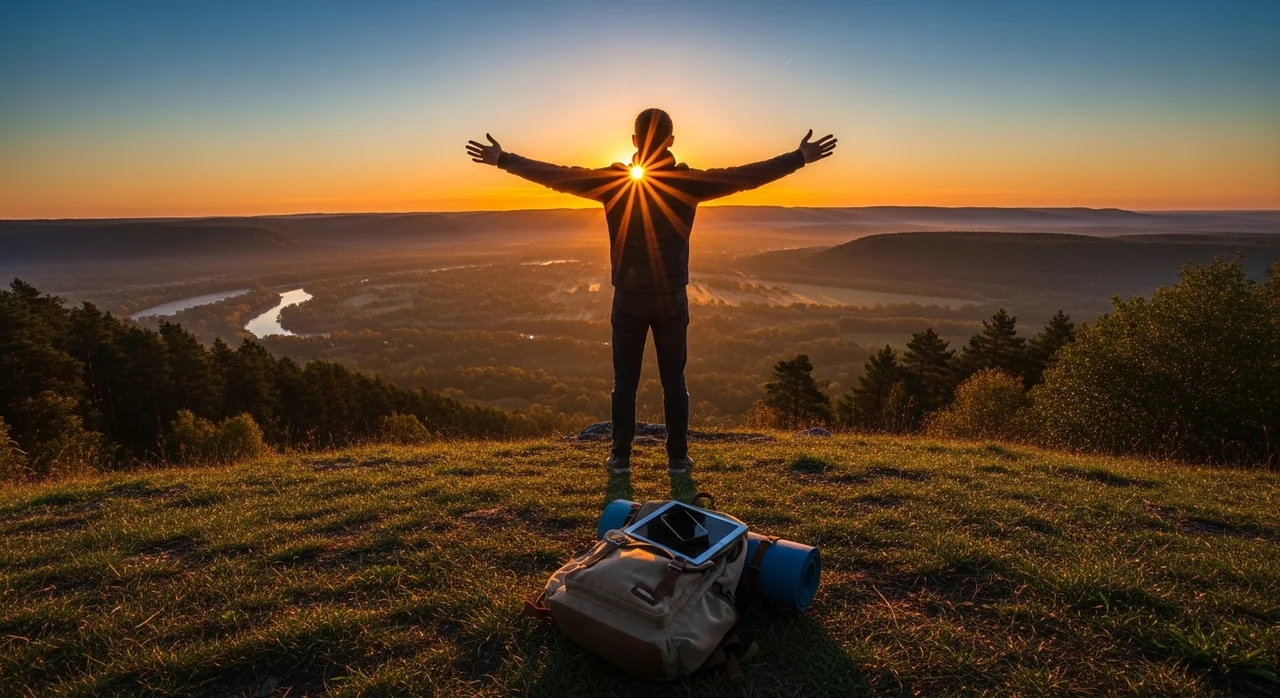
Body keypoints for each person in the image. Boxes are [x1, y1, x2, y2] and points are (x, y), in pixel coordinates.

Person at [466, 109, 836, 475]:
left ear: (634, 141)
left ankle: (620, 458)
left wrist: (504, 160)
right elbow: (744, 177)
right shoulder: (686, 183)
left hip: (628, 297)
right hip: (671, 296)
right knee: (674, 379)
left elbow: (559, 177)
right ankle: (677, 458)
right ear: (671, 141)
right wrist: (799, 158)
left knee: (624, 381)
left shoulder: (616, 182)